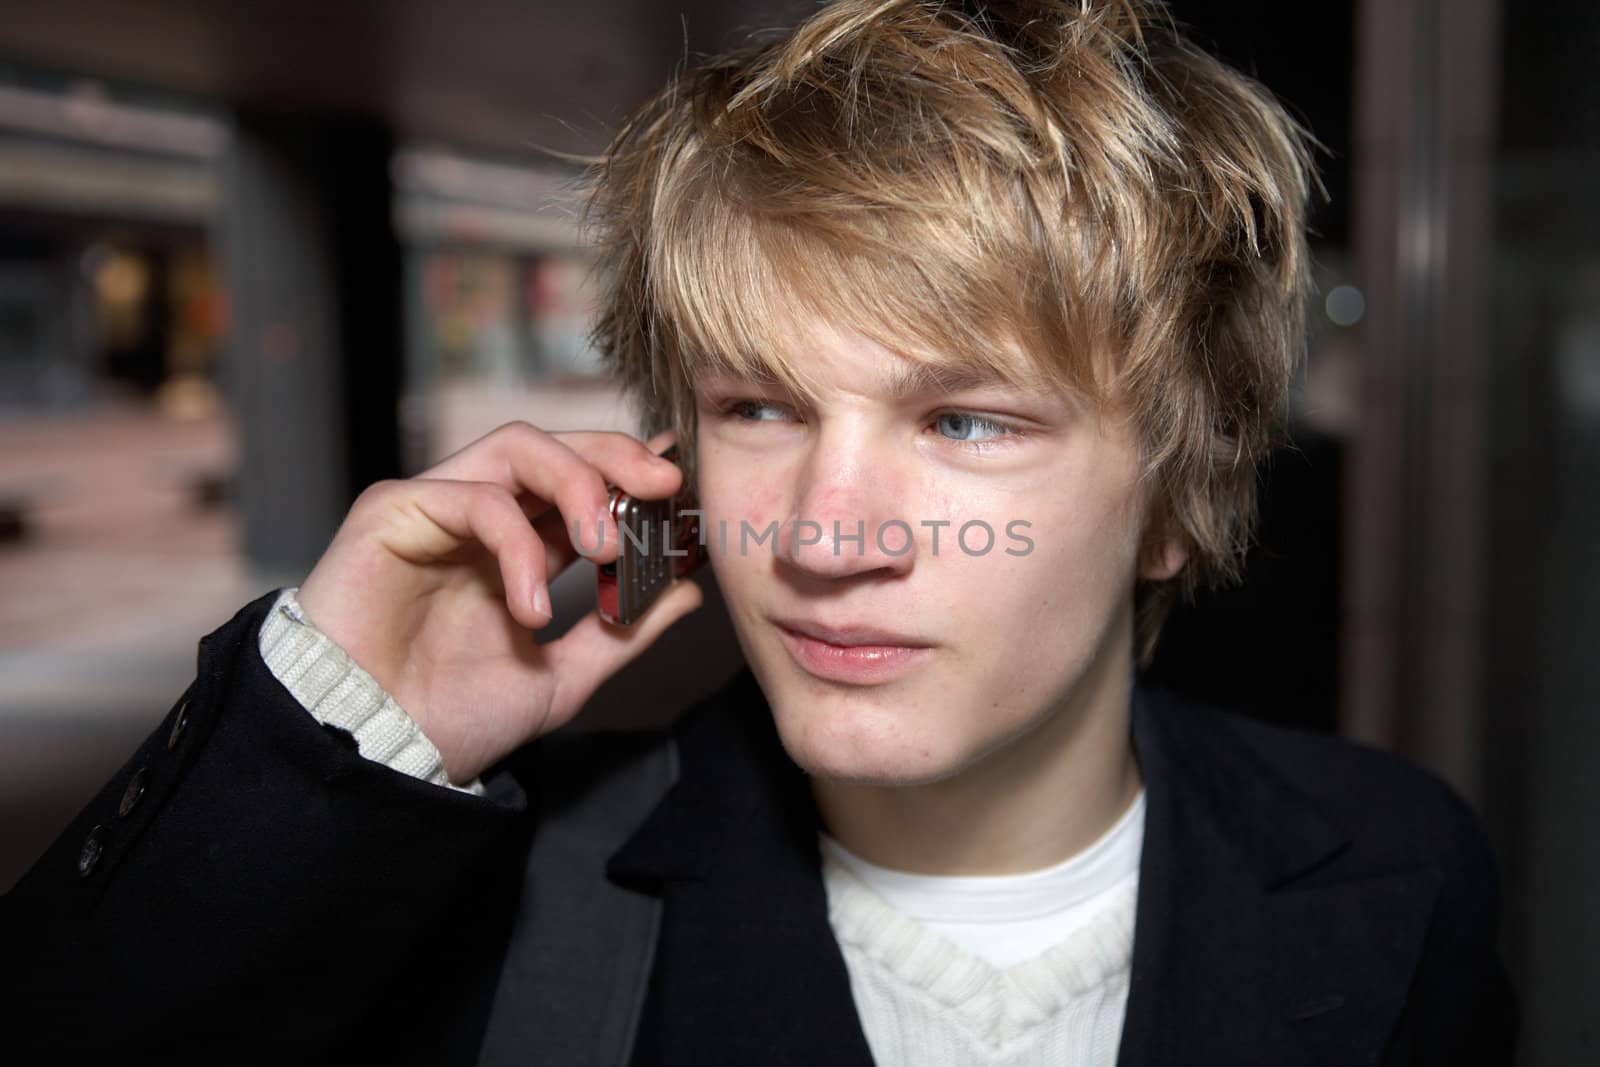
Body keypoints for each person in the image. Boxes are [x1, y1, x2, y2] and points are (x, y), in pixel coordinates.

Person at [4, 1, 1517, 1063]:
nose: (822, 534)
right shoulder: (499, 899)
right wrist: (335, 733)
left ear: (1177, 501)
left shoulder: (1392, 865)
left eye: (966, 421)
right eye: (761, 411)